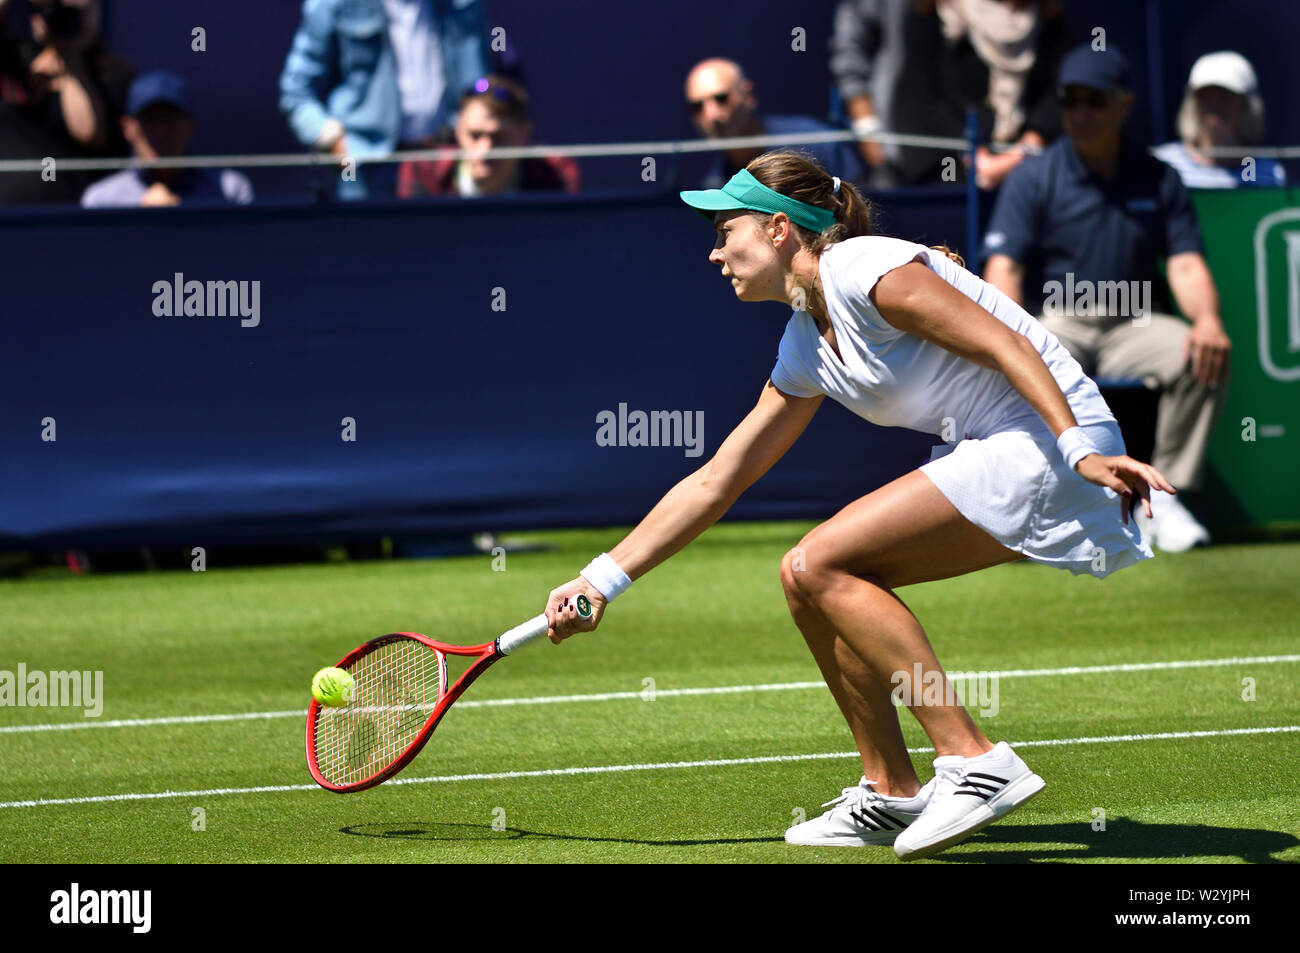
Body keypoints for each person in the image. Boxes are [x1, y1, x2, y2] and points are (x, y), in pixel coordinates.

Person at [540, 149, 1173, 859]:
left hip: (1047, 436)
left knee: (821, 560)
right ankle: (891, 789)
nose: (716, 253)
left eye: (727, 231)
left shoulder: (863, 269)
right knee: (804, 576)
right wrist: (603, 577)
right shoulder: (806, 342)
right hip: (1011, 444)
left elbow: (1006, 340)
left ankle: (974, 759)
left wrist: (1077, 448)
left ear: (780, 229)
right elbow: (718, 479)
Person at [982, 44, 1231, 553]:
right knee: (1020, 363)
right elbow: (1004, 268)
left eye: (1094, 101)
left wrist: (1207, 319)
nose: (1080, 113)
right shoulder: (1034, 177)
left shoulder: (1159, 177)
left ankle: (1164, 500)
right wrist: (1012, 335)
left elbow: (1185, 263)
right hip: (1059, 321)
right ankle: (1040, 505)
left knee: (1202, 350)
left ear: (1124, 105)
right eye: (1070, 100)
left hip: (1135, 321)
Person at [830, 0, 1070, 188]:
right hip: (940, 169)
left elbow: (1056, 90)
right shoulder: (933, 10)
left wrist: (1021, 153)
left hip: (1022, 170)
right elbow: (918, 90)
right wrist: (973, 157)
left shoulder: (1048, 16)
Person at [278, 0, 489, 198]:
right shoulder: (332, 3)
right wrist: (332, 141)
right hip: (367, 169)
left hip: (449, 160)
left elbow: (488, 79)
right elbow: (296, 90)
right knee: (367, 237)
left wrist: (484, 132)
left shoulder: (462, 5)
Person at [81, 71, 253, 208]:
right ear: (127, 128)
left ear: (191, 126)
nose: (160, 132)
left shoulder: (231, 191)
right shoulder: (100, 201)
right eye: (149, 120)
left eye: (170, 120)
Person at [685, 57, 864, 189]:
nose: (711, 114)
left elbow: (856, 207)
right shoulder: (714, 183)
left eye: (721, 98)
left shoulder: (815, 142)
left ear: (748, 96)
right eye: (697, 106)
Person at [397, 75, 578, 198]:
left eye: (498, 138)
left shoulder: (555, 174)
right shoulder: (422, 170)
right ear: (458, 130)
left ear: (524, 134)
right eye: (474, 136)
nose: (484, 151)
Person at [1153, 50, 1285, 190]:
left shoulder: (1271, 174)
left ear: (1247, 105)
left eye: (1225, 95)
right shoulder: (1162, 165)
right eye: (1205, 95)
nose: (1214, 103)